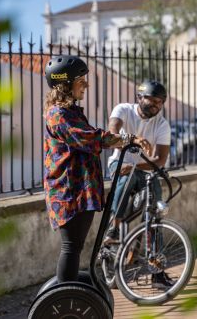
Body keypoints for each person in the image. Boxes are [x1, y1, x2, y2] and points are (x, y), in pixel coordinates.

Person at [43, 55, 151, 283]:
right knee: (71, 247)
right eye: (81, 81)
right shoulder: (58, 115)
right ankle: (65, 299)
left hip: (79, 191)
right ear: (64, 84)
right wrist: (127, 139)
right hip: (69, 193)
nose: (86, 85)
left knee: (76, 247)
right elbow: (89, 139)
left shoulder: (71, 112)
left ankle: (69, 294)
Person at [103, 80, 173, 288]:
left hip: (144, 169)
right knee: (126, 176)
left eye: (160, 103)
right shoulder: (123, 110)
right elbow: (112, 136)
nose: (155, 106)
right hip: (119, 164)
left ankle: (157, 273)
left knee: (155, 212)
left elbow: (159, 160)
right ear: (140, 98)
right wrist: (133, 139)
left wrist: (138, 166)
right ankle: (114, 229)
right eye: (152, 101)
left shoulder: (162, 124)